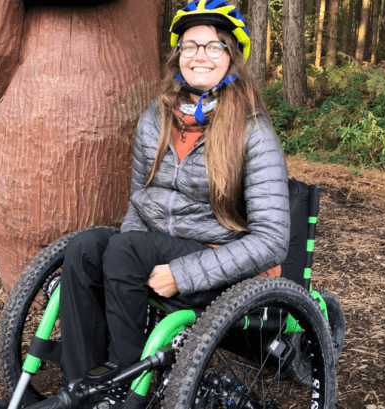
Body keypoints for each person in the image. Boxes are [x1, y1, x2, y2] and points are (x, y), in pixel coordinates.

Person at [59, 1, 290, 408]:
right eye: (189, 46)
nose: (200, 55)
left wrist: (182, 273)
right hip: (154, 248)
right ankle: (82, 385)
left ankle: (128, 387)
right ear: (177, 56)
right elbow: (140, 200)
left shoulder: (254, 130)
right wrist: (122, 264)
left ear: (232, 56)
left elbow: (272, 241)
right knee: (84, 248)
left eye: (213, 46)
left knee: (126, 249)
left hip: (221, 259)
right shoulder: (157, 116)